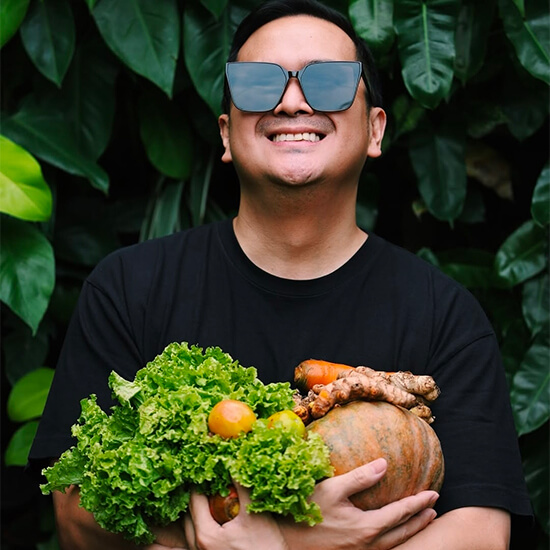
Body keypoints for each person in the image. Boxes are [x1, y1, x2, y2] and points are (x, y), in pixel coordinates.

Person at [29, 0, 532, 548]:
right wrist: (288, 539)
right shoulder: (129, 288)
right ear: (226, 135)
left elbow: (481, 532)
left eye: (329, 81)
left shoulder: (445, 314)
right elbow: (76, 515)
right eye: (258, 83)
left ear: (375, 129)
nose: (291, 101)